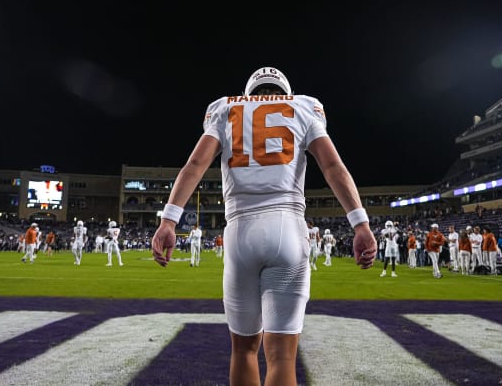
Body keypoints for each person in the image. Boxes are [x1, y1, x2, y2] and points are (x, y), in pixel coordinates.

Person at [150, 66, 376, 386]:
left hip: (240, 231)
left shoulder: (225, 109)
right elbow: (333, 166)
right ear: (284, 91)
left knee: (243, 350)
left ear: (247, 93)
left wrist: (169, 220)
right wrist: (360, 224)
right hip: (287, 228)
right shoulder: (302, 107)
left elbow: (195, 165)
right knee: (282, 356)